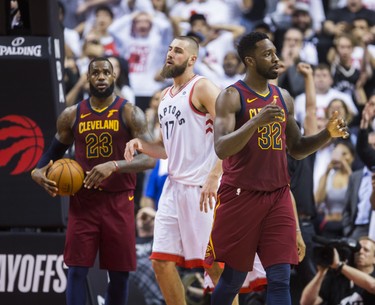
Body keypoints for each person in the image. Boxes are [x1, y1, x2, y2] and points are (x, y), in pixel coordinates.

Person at [204, 32, 350, 305]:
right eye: (267, 54)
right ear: (250, 60)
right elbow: (221, 148)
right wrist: (254, 122)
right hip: (240, 195)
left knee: (281, 277)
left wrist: (327, 134)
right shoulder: (231, 96)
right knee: (234, 277)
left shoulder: (283, 97)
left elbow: (296, 148)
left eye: (275, 52)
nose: (276, 58)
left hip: (278, 195)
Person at [124, 36, 265, 305]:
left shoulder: (202, 88)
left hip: (204, 189)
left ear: (192, 59)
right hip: (173, 188)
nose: (170, 54)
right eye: (169, 49)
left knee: (215, 266)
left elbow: (234, 132)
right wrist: (141, 144)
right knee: (161, 263)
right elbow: (166, 149)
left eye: (178, 51)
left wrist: (215, 175)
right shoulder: (165, 96)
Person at [31, 57, 156, 305]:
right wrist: (37, 170)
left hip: (120, 200)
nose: (100, 76)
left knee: (119, 275)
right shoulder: (72, 115)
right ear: (88, 78)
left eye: (106, 72)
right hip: (83, 201)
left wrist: (115, 165)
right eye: (95, 72)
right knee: (76, 270)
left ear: (113, 77)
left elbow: (150, 159)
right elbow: (52, 153)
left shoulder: (130, 112)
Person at [300, 236, 375, 305]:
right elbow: (306, 303)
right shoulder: (338, 276)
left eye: (366, 250)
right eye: (358, 249)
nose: (360, 252)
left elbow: (372, 286)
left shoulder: (340, 268)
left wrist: (339, 265)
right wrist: (321, 273)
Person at [129, 207, 166, 305]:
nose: (147, 219)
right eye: (143, 216)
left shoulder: (161, 242)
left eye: (151, 217)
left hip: (154, 280)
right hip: (132, 283)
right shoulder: (129, 243)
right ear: (136, 221)